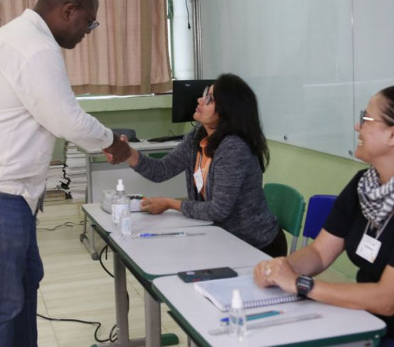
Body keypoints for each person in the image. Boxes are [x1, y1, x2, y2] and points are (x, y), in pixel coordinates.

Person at [0, 0, 130, 346]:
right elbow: (64, 118)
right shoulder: (34, 47)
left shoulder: (19, 37)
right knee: (2, 302)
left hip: (4, 192)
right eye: (89, 22)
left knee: (24, 283)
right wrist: (111, 143)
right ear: (68, 10)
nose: (88, 31)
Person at [253, 85, 394, 346]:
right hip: (369, 323)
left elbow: (387, 299)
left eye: (366, 119)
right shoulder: (365, 184)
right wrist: (281, 269)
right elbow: (319, 252)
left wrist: (302, 285)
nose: (357, 127)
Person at [113, 73, 287, 257]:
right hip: (221, 237)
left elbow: (217, 210)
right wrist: (129, 153)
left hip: (255, 246)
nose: (199, 100)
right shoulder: (197, 137)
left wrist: (170, 203)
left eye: (209, 99)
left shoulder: (233, 148)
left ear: (227, 111)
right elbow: (162, 170)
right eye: (205, 95)